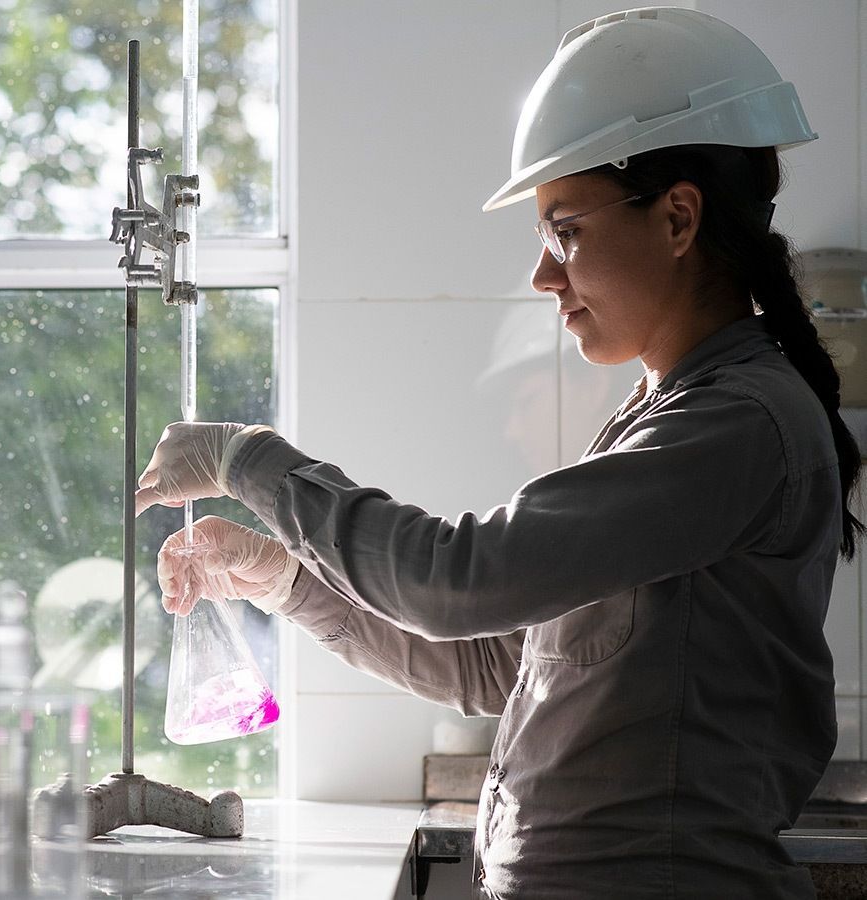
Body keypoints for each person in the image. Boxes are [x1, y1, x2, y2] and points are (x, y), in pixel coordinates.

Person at [133, 8, 862, 899]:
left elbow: (454, 583)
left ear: (678, 217)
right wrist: (284, 580)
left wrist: (247, 459)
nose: (544, 274)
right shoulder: (666, 415)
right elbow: (496, 663)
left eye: (567, 229)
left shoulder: (734, 426)